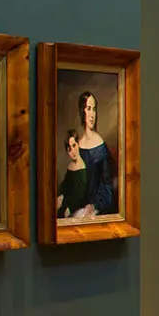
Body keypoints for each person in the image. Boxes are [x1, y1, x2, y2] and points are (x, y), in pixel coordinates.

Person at [74, 89, 118, 218]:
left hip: (98, 209)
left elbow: (107, 186)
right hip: (80, 207)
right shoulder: (78, 145)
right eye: (88, 109)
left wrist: (94, 205)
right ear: (82, 111)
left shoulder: (100, 146)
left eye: (94, 109)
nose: (92, 114)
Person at [55, 130, 98, 223]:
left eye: (74, 146)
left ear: (78, 144)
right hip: (67, 202)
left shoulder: (83, 166)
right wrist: (60, 195)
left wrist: (68, 207)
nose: (73, 151)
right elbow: (65, 184)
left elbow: (80, 194)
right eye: (69, 149)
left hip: (78, 206)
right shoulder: (70, 166)